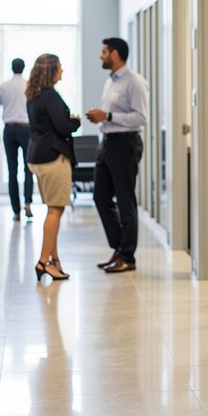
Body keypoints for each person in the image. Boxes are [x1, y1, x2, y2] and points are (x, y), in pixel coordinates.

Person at [86, 38, 148, 274]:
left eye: (103, 52)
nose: (100, 56)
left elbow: (141, 118)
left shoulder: (134, 82)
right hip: (107, 143)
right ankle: (119, 247)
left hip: (125, 144)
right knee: (100, 197)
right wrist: (102, 117)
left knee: (125, 201)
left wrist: (108, 116)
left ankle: (127, 256)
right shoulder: (110, 82)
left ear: (115, 54)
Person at [25, 54, 79, 281]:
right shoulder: (51, 96)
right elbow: (63, 127)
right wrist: (75, 121)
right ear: (51, 71)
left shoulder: (33, 95)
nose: (62, 71)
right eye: (59, 67)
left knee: (52, 211)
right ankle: (43, 261)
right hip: (53, 157)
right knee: (56, 211)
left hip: (37, 155)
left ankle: (54, 260)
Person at [0, 58, 34, 221]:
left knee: (12, 170)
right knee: (28, 168)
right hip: (27, 129)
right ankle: (28, 204)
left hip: (9, 129)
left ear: (11, 68)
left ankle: (16, 211)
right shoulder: (30, 86)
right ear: (24, 68)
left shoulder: (2, 87)